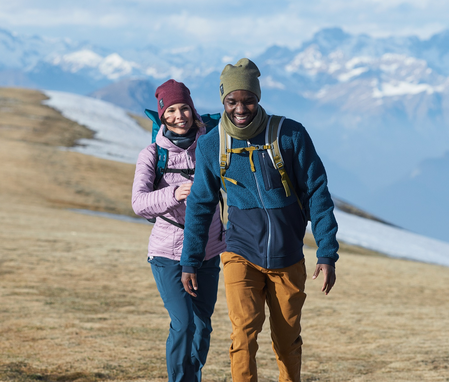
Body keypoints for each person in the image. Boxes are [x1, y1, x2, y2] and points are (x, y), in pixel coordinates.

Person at [180, 59, 339, 382]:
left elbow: (317, 193)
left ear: (259, 97)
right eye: (232, 101)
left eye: (248, 100)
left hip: (288, 256)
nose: (241, 108)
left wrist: (326, 253)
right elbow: (200, 205)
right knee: (243, 336)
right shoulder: (213, 145)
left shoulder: (290, 135)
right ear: (223, 100)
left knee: (287, 341)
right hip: (239, 251)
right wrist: (190, 261)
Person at [132, 79, 226, 382]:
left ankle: (191, 377)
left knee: (202, 326)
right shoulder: (151, 155)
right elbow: (139, 203)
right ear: (162, 115)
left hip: (207, 251)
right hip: (167, 253)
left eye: (184, 108)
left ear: (193, 110)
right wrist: (175, 193)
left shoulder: (211, 145)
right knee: (183, 323)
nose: (179, 115)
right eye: (171, 110)